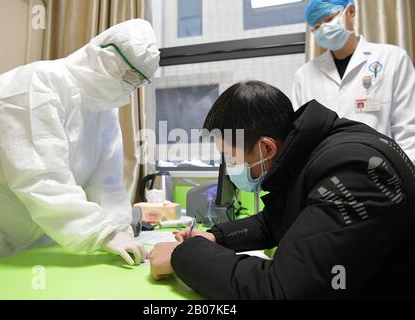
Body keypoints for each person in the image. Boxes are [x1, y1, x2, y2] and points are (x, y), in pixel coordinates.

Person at [149, 81, 415, 299]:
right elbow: (276, 220)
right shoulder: (314, 151)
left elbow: (283, 290)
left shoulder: (352, 170)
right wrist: (215, 237)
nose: (229, 168)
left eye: (230, 158)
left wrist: (182, 256)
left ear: (266, 148)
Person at [0, 19, 160, 268]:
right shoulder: (32, 86)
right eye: (131, 76)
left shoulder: (101, 108)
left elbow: (105, 181)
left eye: (140, 82)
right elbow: (41, 179)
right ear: (106, 56)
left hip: (42, 244)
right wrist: (103, 233)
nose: (131, 88)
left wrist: (119, 229)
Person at [292, 0, 415, 163]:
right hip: (324, 175)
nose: (324, 29)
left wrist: (403, 176)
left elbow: (408, 130)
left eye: (328, 19)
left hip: (383, 173)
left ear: (350, 12)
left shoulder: (392, 59)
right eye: (317, 27)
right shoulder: (304, 75)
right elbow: (300, 137)